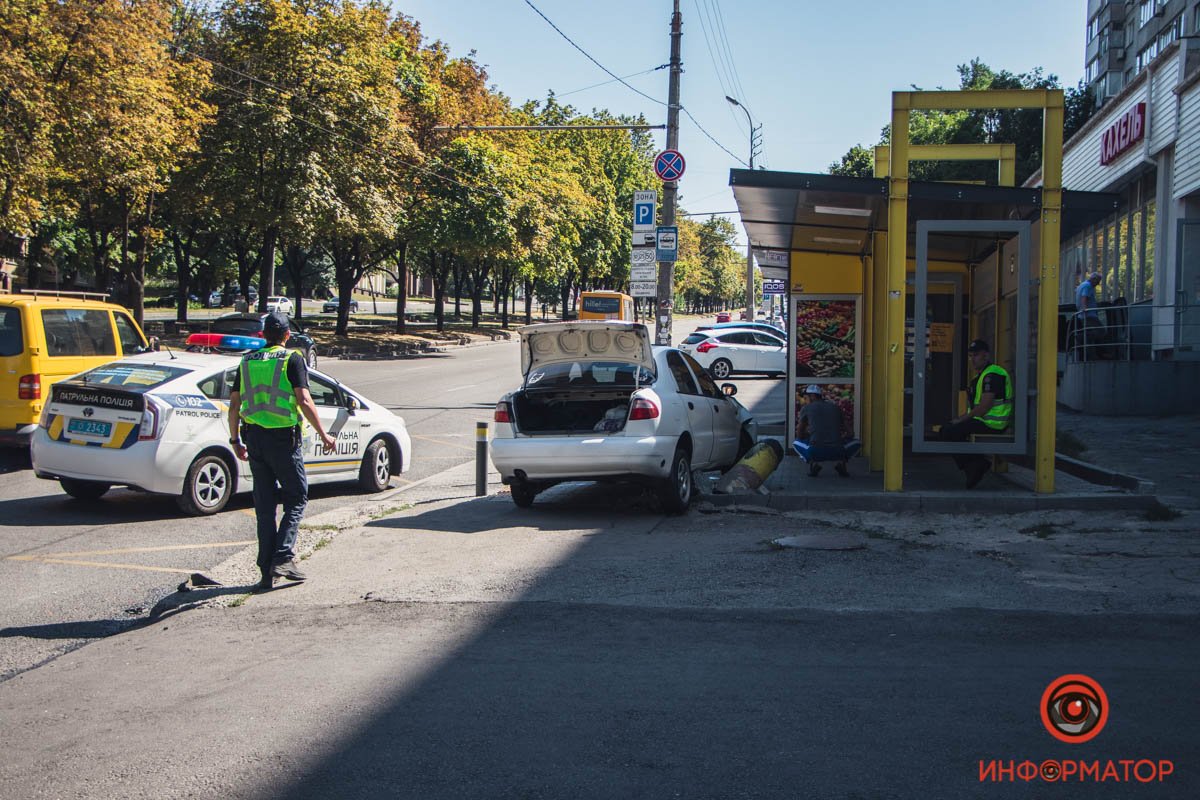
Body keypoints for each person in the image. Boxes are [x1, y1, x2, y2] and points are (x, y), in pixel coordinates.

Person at [227, 311, 336, 592]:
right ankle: (283, 557)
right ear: (288, 336)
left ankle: (266, 572)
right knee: (297, 496)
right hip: (282, 440)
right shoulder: (292, 358)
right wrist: (324, 434)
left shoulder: (246, 361)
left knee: (264, 507)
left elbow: (234, 405)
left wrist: (235, 440)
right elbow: (304, 399)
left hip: (254, 440)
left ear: (263, 335)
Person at [939, 339, 1012, 489]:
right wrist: (959, 420)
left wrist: (960, 421)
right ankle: (974, 465)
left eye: (976, 355)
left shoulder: (992, 375)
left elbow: (984, 406)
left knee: (950, 431)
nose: (972, 359)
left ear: (986, 356)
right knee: (946, 429)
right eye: (971, 355)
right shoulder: (979, 378)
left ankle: (976, 465)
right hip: (983, 421)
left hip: (993, 424)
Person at [794, 384, 861, 477]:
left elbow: (799, 433)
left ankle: (814, 464)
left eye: (806, 397)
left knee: (796, 443)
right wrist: (841, 439)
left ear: (812, 397)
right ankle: (841, 464)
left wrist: (808, 437)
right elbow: (850, 433)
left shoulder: (806, 408)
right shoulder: (835, 407)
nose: (805, 400)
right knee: (857, 442)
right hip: (837, 451)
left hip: (816, 451)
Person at [1074, 270, 1104, 360]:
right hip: (1089, 315)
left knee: (1090, 337)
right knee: (1102, 331)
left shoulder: (1082, 285)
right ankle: (1081, 337)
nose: (1098, 284)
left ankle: (1092, 354)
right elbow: (1084, 297)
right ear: (1093, 279)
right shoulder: (1088, 286)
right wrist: (1085, 309)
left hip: (1085, 316)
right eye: (1098, 281)